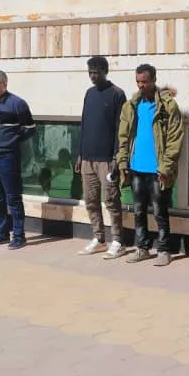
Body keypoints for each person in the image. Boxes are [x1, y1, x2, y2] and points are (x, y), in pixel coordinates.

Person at [117, 64, 184, 267]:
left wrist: (165, 167)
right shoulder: (131, 106)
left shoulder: (167, 106)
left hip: (157, 170)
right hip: (136, 168)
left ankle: (164, 249)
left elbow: (175, 137)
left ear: (153, 80)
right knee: (138, 211)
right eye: (138, 81)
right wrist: (123, 161)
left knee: (159, 211)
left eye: (144, 81)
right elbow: (123, 137)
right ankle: (142, 248)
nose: (141, 85)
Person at [76, 56, 127, 260]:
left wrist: (117, 157)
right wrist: (80, 153)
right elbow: (84, 124)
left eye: (96, 72)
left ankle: (118, 241)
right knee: (90, 200)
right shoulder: (89, 94)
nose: (92, 76)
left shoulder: (117, 94)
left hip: (107, 159)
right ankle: (99, 238)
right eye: (90, 72)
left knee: (111, 201)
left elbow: (120, 128)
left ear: (106, 71)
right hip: (87, 158)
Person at [0, 70, 36, 249]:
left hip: (7, 157)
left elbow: (30, 128)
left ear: (4, 85)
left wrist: (12, 141)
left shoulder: (17, 104)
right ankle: (1, 233)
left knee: (12, 198)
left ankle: (19, 236)